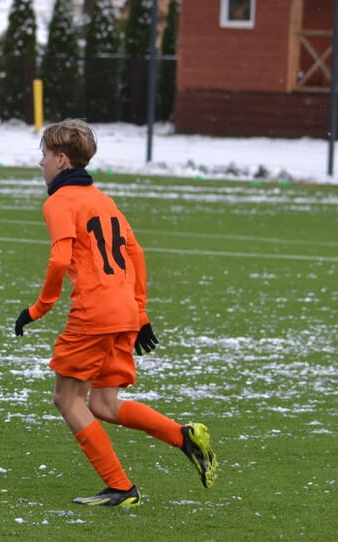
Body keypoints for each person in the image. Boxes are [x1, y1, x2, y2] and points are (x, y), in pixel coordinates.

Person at [14, 119, 218, 507]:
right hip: (123, 309)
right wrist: (139, 313)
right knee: (103, 404)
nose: (40, 164)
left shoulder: (58, 202)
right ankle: (184, 436)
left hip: (95, 313)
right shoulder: (104, 200)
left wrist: (38, 309)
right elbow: (136, 254)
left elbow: (59, 260)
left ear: (60, 160)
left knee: (66, 398)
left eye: (43, 156)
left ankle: (122, 488)